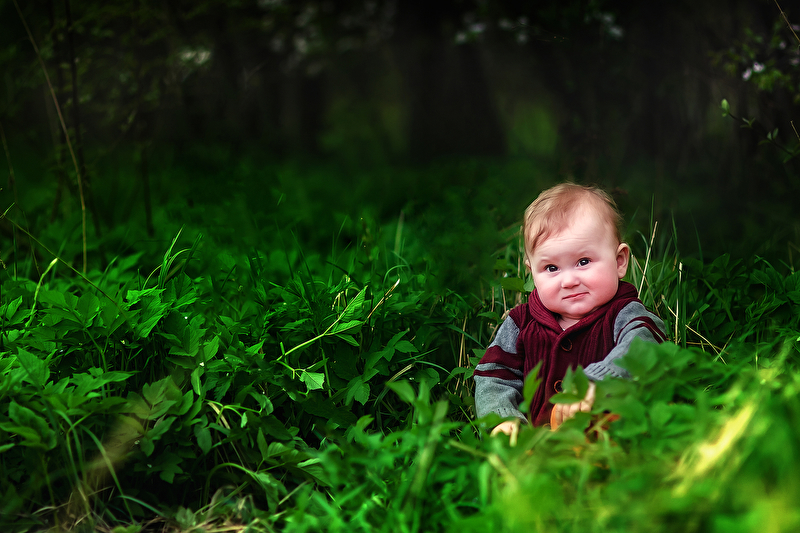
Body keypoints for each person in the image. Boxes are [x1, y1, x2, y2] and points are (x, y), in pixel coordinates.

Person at [474, 183, 666, 436]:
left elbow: (643, 349)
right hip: (538, 445)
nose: (568, 281)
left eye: (583, 262)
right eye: (551, 268)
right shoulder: (521, 323)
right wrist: (502, 418)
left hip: (611, 440)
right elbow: (494, 376)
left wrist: (597, 383)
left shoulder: (626, 314)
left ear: (619, 262)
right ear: (532, 273)